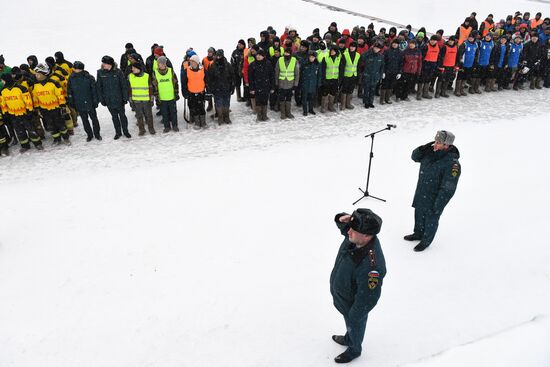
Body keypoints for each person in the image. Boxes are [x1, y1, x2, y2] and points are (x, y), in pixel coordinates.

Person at [330, 208, 386, 364]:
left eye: (352, 230)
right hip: (344, 297)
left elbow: (368, 298)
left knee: (355, 324)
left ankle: (354, 349)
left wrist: (355, 316)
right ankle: (349, 337)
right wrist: (341, 218)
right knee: (350, 324)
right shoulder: (358, 237)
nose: (348, 232)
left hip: (353, 305)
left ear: (367, 235)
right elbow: (346, 229)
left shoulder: (372, 266)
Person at [406, 131, 461, 252]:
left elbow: (448, 188)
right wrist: (422, 148)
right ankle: (418, 233)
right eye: (435, 141)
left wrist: (438, 205)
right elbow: (414, 157)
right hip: (422, 192)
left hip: (435, 198)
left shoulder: (452, 164)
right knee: (419, 214)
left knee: (431, 218)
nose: (435, 145)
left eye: (438, 143)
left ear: (446, 145)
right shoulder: (430, 153)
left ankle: (426, 240)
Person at [0, 73, 43, 152]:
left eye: (2, 80)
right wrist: (5, 114)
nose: (2, 82)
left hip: (25, 114)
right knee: (19, 131)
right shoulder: (3, 91)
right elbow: (3, 104)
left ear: (6, 80)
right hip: (13, 115)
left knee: (31, 129)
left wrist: (29, 111)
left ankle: (37, 143)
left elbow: (28, 101)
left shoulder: (21, 88)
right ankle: (25, 145)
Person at [32, 63, 71, 145]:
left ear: (44, 74)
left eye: (38, 74)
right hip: (44, 109)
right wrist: (36, 108)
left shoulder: (53, 83)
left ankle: (66, 138)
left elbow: (60, 95)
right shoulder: (35, 86)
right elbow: (35, 98)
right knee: (51, 125)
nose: (36, 76)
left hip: (56, 108)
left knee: (61, 124)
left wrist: (63, 106)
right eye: (36, 74)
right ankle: (56, 138)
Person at [96, 55, 131, 139]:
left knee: (122, 116)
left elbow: (123, 86)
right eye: (103, 63)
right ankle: (118, 132)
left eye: (104, 63)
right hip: (109, 100)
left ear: (109, 64)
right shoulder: (100, 73)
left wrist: (125, 98)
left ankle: (125, 131)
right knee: (114, 117)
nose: (103, 64)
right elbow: (99, 87)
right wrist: (102, 99)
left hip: (119, 99)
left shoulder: (118, 72)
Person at [67, 61, 102, 141]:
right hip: (79, 103)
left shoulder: (89, 77)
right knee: (84, 120)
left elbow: (94, 90)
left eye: (76, 69)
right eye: (74, 68)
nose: (74, 70)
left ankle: (97, 134)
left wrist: (95, 100)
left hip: (90, 102)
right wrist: (71, 102)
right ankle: (89, 135)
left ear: (81, 69)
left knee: (94, 119)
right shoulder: (71, 78)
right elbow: (69, 91)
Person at [152, 56, 179, 132]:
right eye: (158, 63)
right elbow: (154, 86)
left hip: (171, 97)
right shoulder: (155, 73)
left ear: (164, 64)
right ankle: (167, 127)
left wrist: (176, 93)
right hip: (162, 98)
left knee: (173, 112)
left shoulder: (171, 71)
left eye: (159, 63)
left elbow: (175, 83)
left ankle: (175, 125)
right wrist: (157, 97)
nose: (158, 65)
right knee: (164, 113)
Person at [207, 49, 235, 125]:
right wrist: (211, 88)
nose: (218, 57)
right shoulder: (212, 66)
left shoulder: (228, 65)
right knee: (218, 103)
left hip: (226, 88)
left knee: (226, 103)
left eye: (220, 55)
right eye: (217, 55)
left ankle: (227, 117)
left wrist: (232, 86)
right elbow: (209, 78)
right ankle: (220, 117)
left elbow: (232, 76)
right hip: (217, 89)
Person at [128, 62, 156, 135]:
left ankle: (151, 128)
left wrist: (151, 99)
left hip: (146, 100)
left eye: (134, 68)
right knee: (139, 116)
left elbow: (150, 89)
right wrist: (130, 100)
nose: (132, 69)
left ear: (139, 69)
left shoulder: (146, 76)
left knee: (149, 115)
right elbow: (129, 89)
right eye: (132, 68)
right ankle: (141, 130)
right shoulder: (130, 76)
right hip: (136, 101)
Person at [181, 54, 207, 129]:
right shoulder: (187, 70)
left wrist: (208, 90)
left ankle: (203, 122)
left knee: (201, 108)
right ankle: (197, 123)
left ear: (197, 62)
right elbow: (184, 83)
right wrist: (184, 92)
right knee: (194, 108)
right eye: (191, 61)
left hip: (201, 92)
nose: (191, 63)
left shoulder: (203, 70)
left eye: (193, 61)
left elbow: (207, 81)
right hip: (191, 93)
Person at [248, 49, 275, 122]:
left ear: (263, 56)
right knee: (258, 101)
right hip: (257, 86)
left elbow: (272, 76)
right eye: (257, 55)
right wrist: (251, 88)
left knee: (265, 101)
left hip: (266, 86)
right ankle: (259, 116)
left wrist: (272, 87)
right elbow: (250, 78)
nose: (258, 56)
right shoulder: (252, 65)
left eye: (260, 55)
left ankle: (265, 115)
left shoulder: (268, 63)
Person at [275, 47, 300, 119]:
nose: (286, 54)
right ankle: (283, 113)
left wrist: (295, 84)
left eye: (288, 53)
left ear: (290, 53)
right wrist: (276, 83)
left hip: (290, 84)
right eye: (285, 52)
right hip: (281, 83)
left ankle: (288, 112)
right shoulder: (280, 60)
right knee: (282, 99)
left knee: (289, 99)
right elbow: (276, 72)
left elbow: (297, 73)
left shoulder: (294, 60)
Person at [360, 41, 384, 108]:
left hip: (375, 76)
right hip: (367, 75)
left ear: (380, 49)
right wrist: (369, 51)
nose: (376, 49)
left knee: (372, 90)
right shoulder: (368, 54)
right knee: (366, 89)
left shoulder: (381, 57)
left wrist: (380, 75)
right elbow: (362, 58)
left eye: (378, 48)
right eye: (375, 48)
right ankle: (366, 102)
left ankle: (371, 102)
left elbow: (382, 67)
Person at [300, 50, 321, 116]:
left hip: (313, 84)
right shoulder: (304, 63)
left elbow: (319, 75)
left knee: (311, 98)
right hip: (305, 84)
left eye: (313, 57)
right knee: (304, 98)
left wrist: (318, 83)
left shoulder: (317, 64)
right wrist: (301, 83)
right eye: (310, 57)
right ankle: (305, 110)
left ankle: (311, 109)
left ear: (315, 58)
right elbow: (300, 73)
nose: (311, 58)